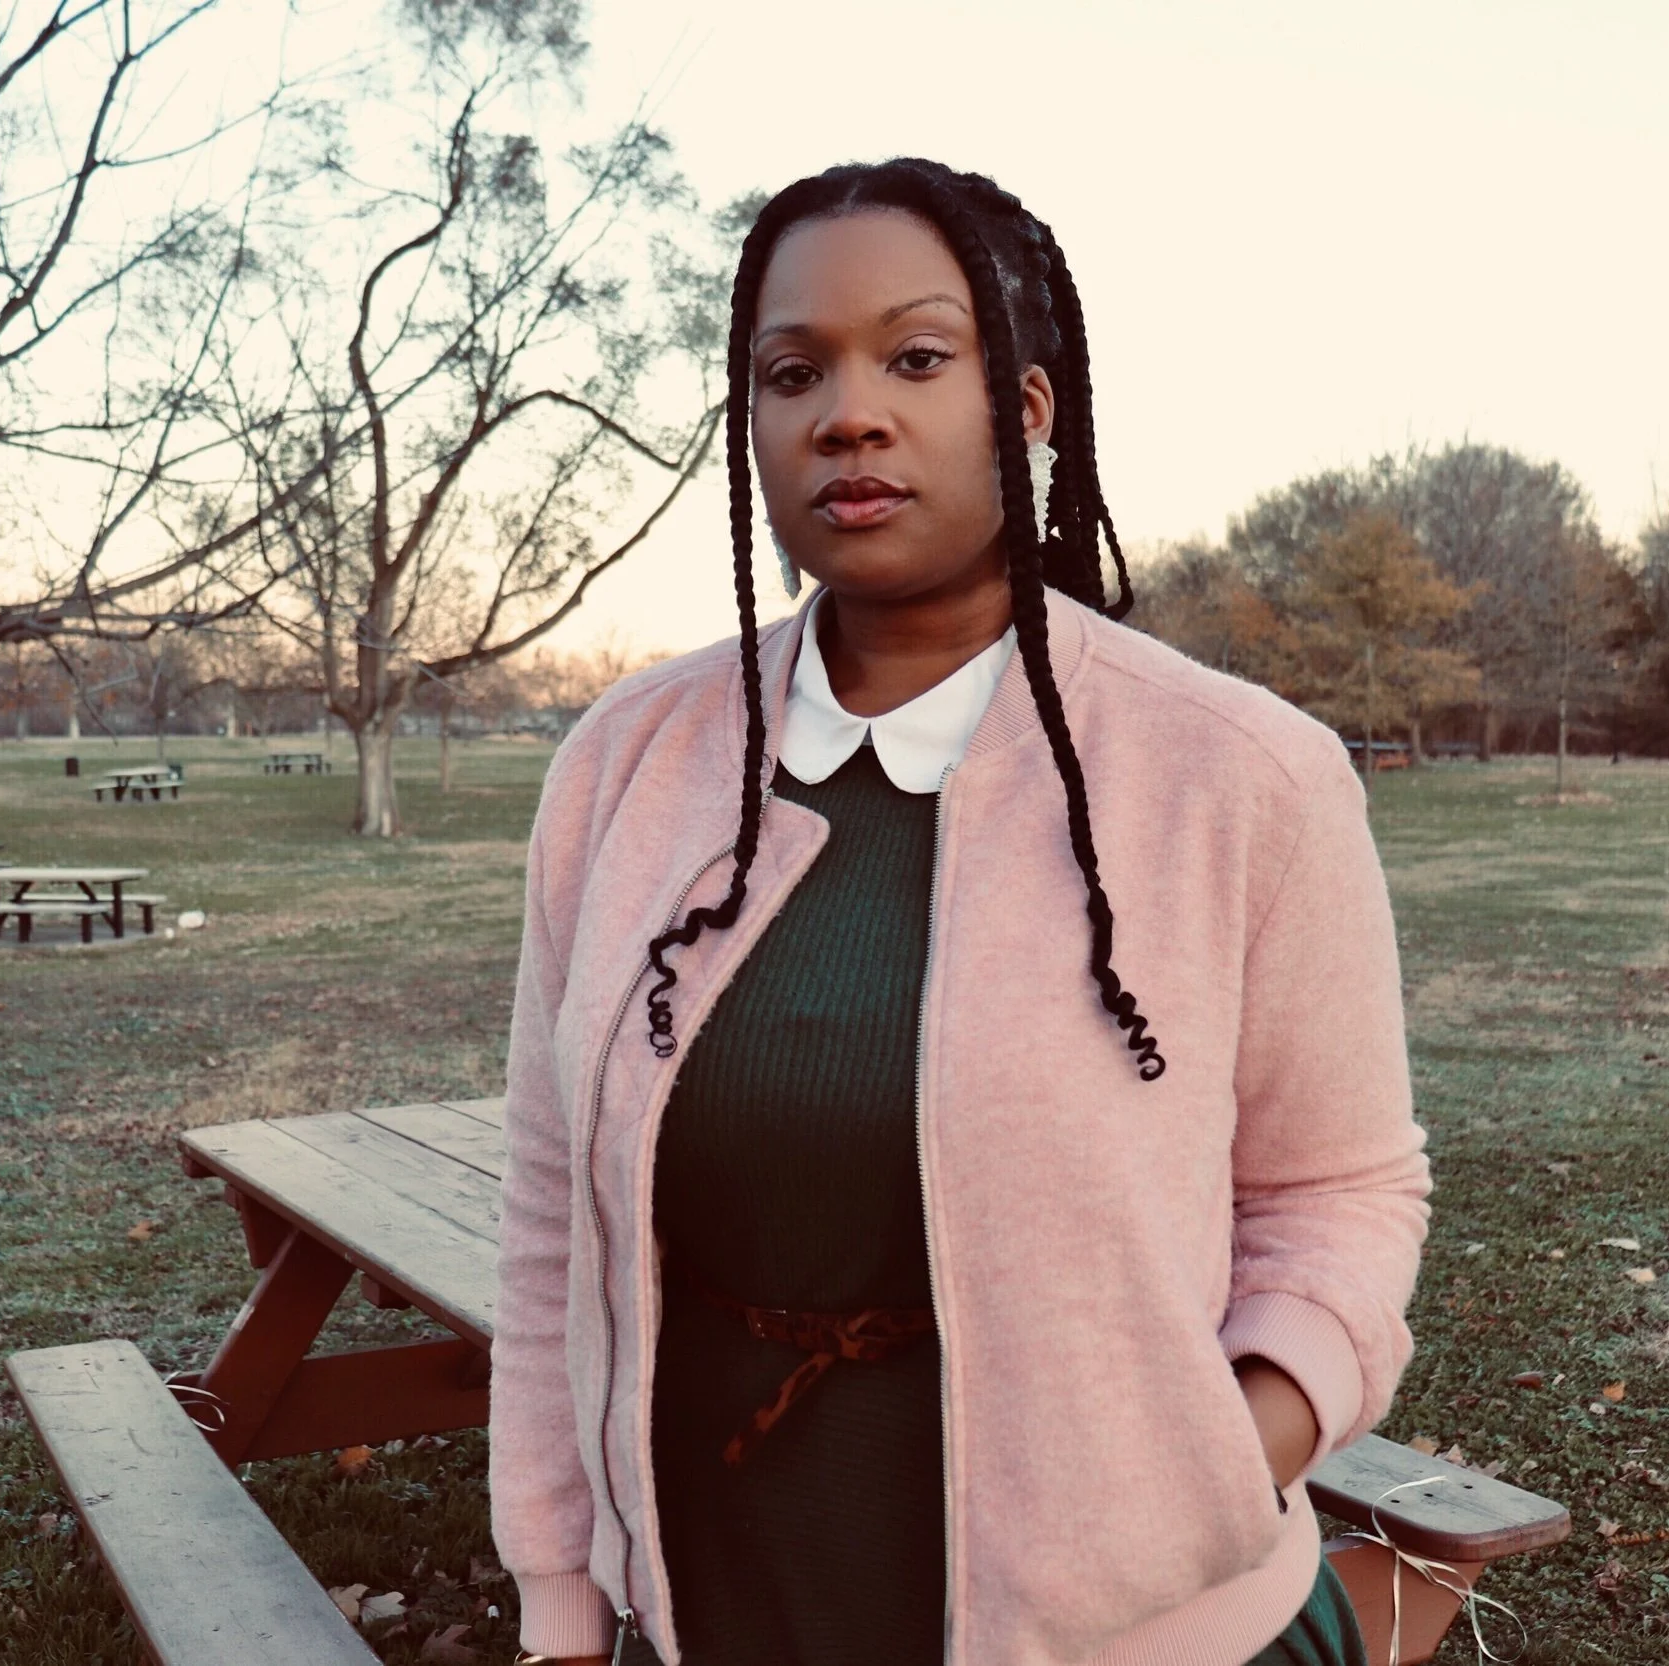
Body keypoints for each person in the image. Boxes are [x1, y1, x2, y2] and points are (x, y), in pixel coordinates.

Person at [490, 158, 1431, 1666]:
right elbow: (552, 1214)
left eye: (918, 357)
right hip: (721, 1598)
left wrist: (1214, 1463)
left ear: (1031, 409)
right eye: (793, 372)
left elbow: (1342, 1195)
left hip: (1141, 1632)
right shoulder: (625, 769)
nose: (847, 414)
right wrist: (560, 1598)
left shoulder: (1243, 778)